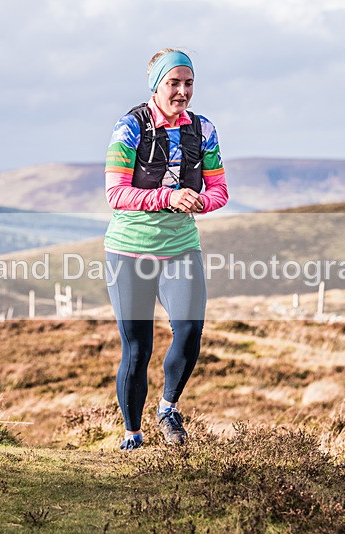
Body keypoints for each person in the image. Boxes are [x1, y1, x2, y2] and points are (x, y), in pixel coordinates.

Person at [103, 48, 229, 450]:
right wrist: (167, 197)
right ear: (156, 85)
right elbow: (115, 193)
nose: (182, 92)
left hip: (180, 247)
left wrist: (199, 201)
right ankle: (132, 435)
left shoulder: (204, 130)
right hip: (129, 250)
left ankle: (168, 409)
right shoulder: (130, 127)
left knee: (190, 331)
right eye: (173, 83)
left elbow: (220, 190)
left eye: (188, 83)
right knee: (137, 349)